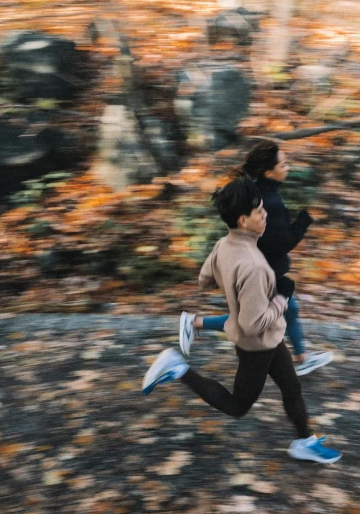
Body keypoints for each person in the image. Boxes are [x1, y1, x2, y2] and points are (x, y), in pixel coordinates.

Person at [141, 173, 341, 464]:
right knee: (236, 406)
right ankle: (178, 369)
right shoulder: (255, 265)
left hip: (270, 338)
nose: (265, 214)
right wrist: (282, 298)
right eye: (259, 211)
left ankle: (303, 442)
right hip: (256, 345)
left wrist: (232, 285)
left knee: (291, 386)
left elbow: (204, 279)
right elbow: (253, 324)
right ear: (243, 220)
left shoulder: (225, 244)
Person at [179, 139, 333, 376]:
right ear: (268, 171)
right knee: (255, 319)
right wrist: (304, 220)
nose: (288, 167)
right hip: (262, 270)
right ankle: (194, 323)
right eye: (284, 164)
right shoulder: (270, 202)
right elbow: (281, 244)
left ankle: (303, 357)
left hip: (253, 264)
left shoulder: (254, 190)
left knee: (286, 310)